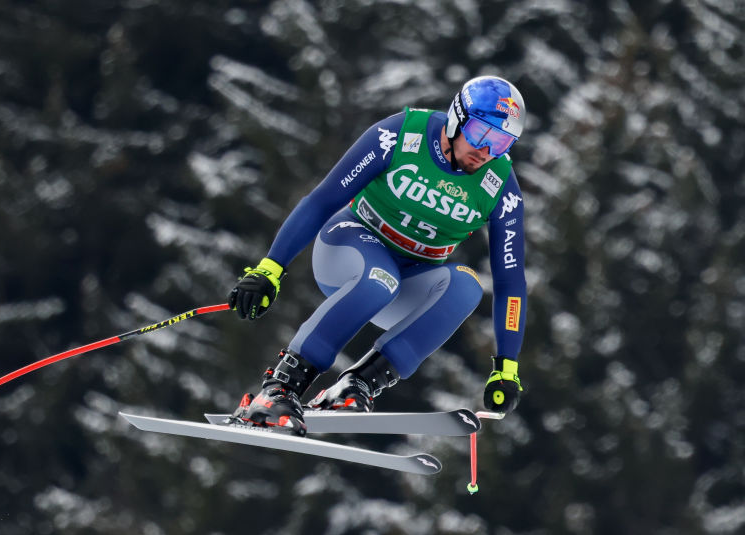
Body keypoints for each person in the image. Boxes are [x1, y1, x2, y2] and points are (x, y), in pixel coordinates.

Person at [226, 75, 527, 436]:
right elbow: (323, 200)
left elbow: (510, 279)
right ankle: (279, 388)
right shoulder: (401, 134)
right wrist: (270, 268)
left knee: (467, 286)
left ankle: (356, 385)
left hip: (408, 278)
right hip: (349, 246)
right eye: (481, 133)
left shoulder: (500, 185)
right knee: (379, 280)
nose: (485, 150)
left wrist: (506, 367)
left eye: (501, 142)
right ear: (456, 118)